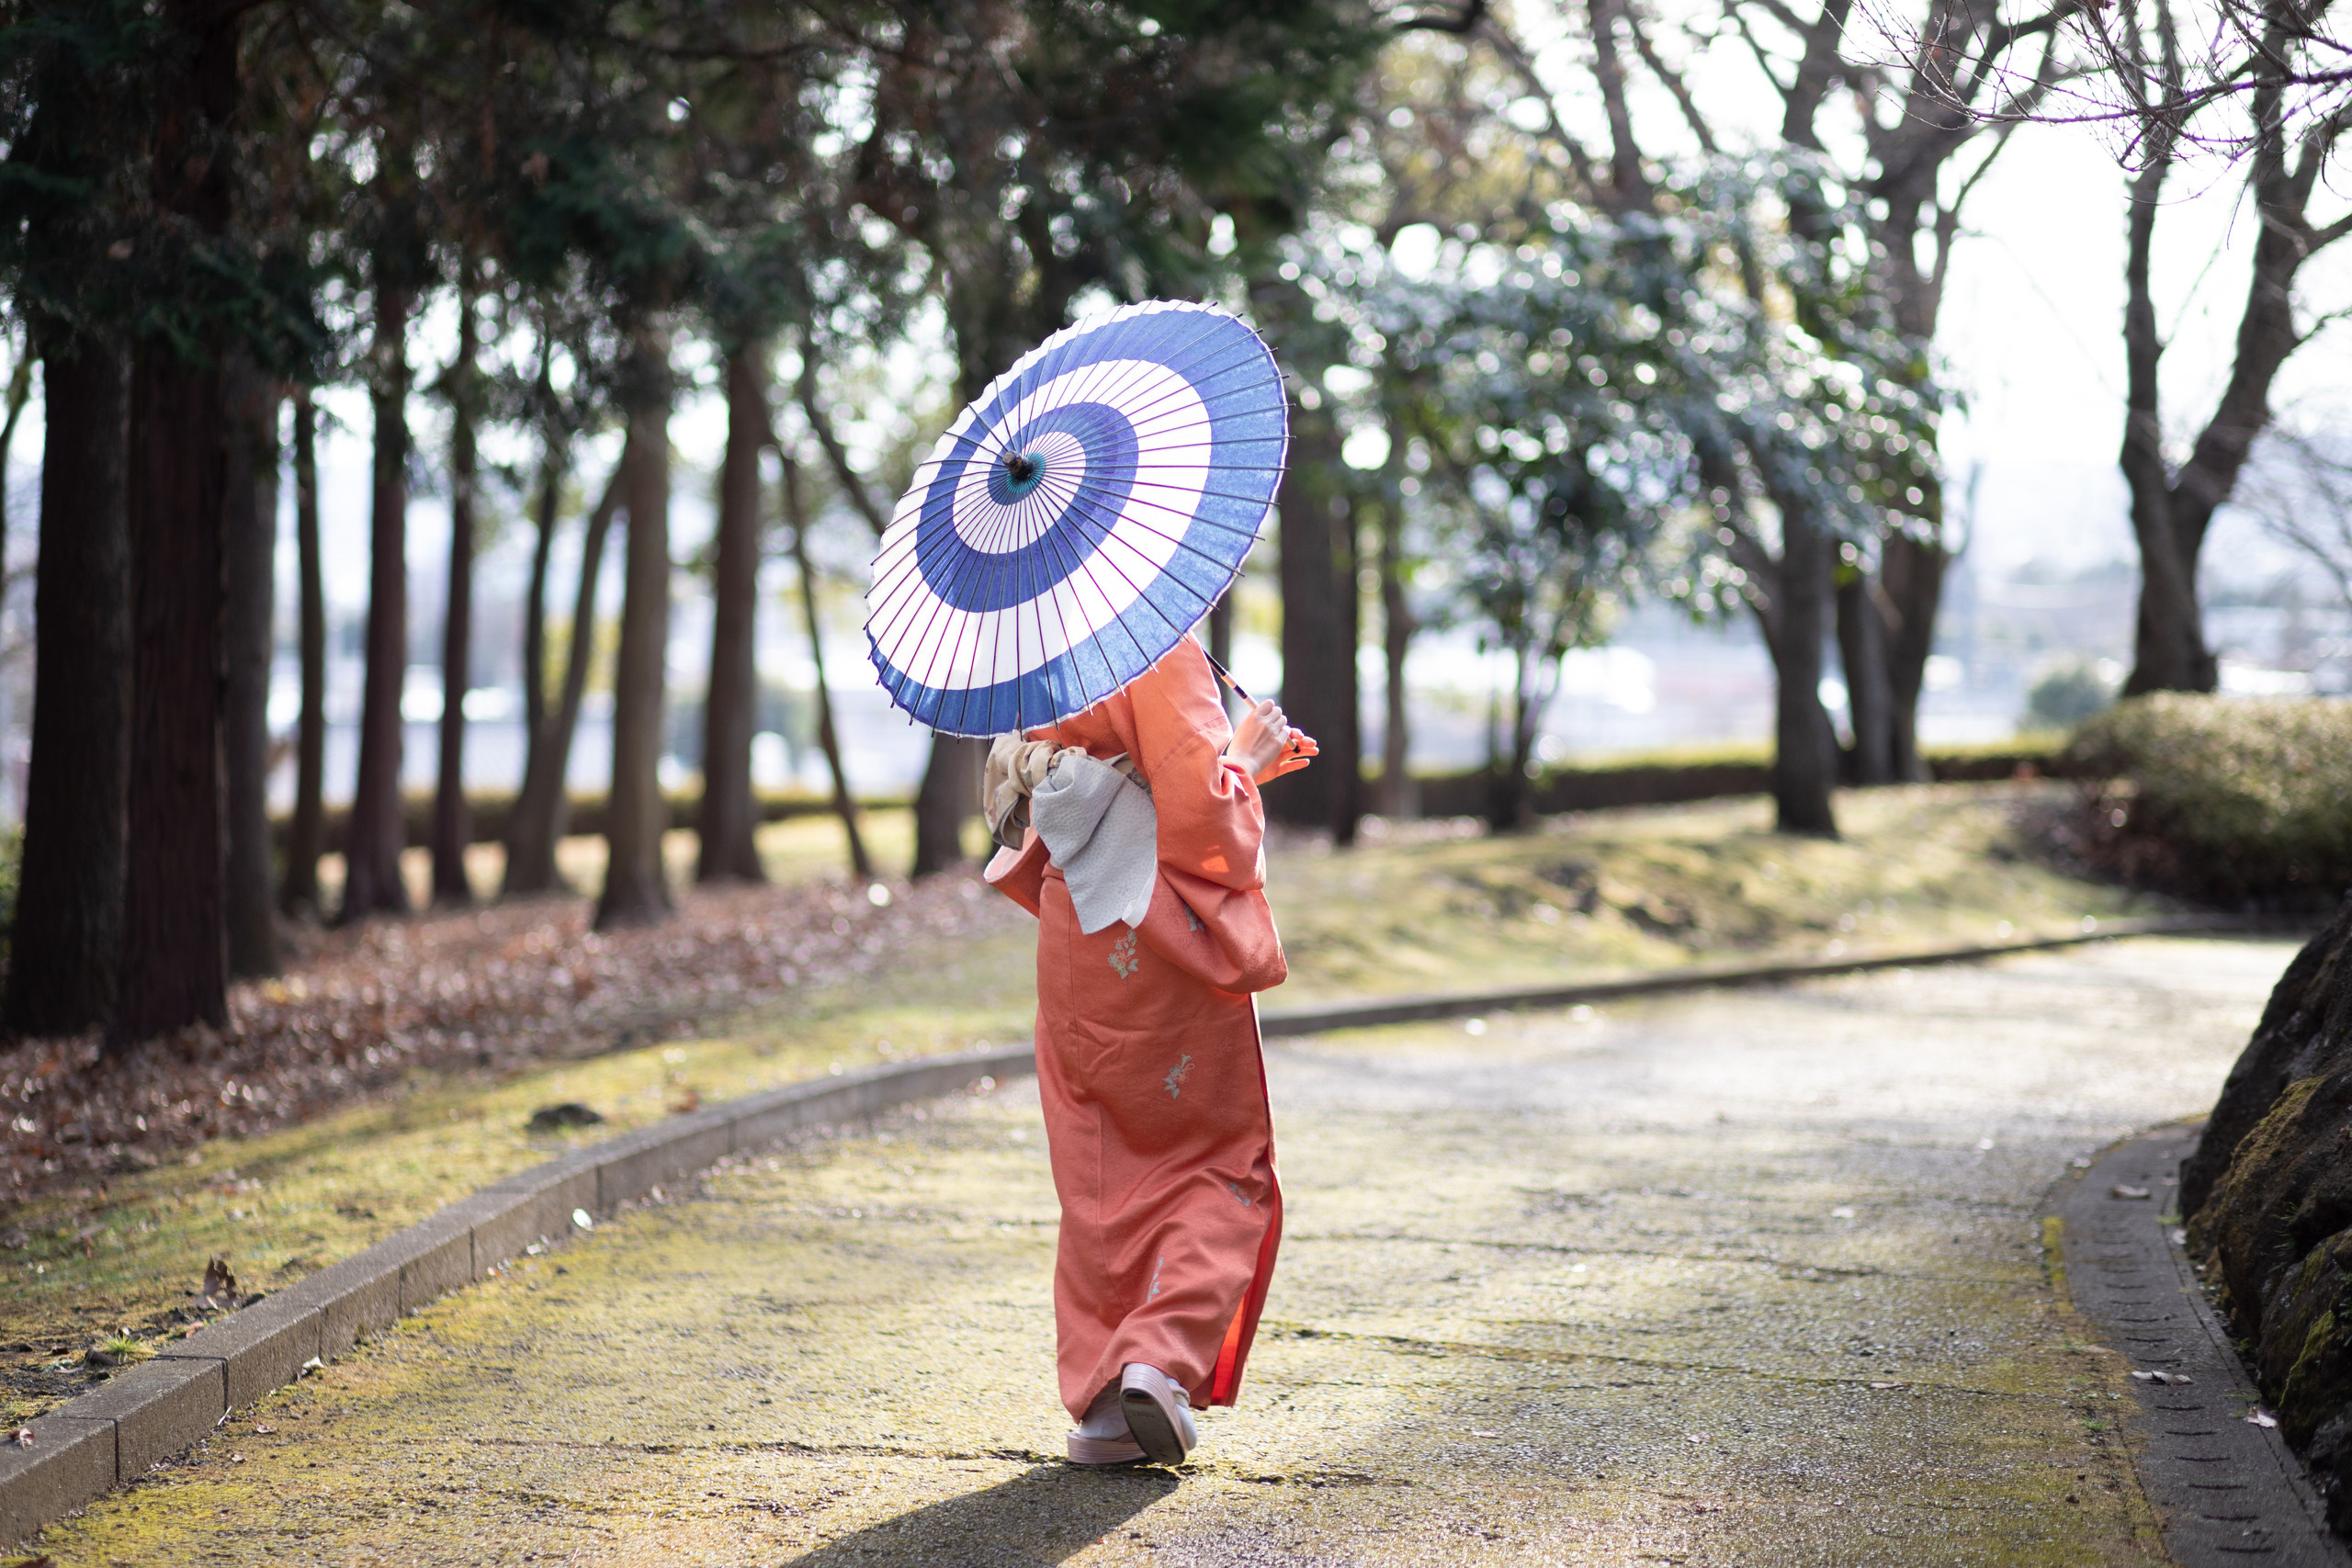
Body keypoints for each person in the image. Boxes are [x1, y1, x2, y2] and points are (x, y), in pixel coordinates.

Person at [982, 632, 1315, 1467]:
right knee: (1216, 1157)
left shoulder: (1032, 634)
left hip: (1074, 919)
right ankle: (1157, 1358)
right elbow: (1206, 816)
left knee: (1098, 1160)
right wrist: (1247, 757)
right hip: (1152, 924)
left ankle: (1103, 1411)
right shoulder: (1146, 639)